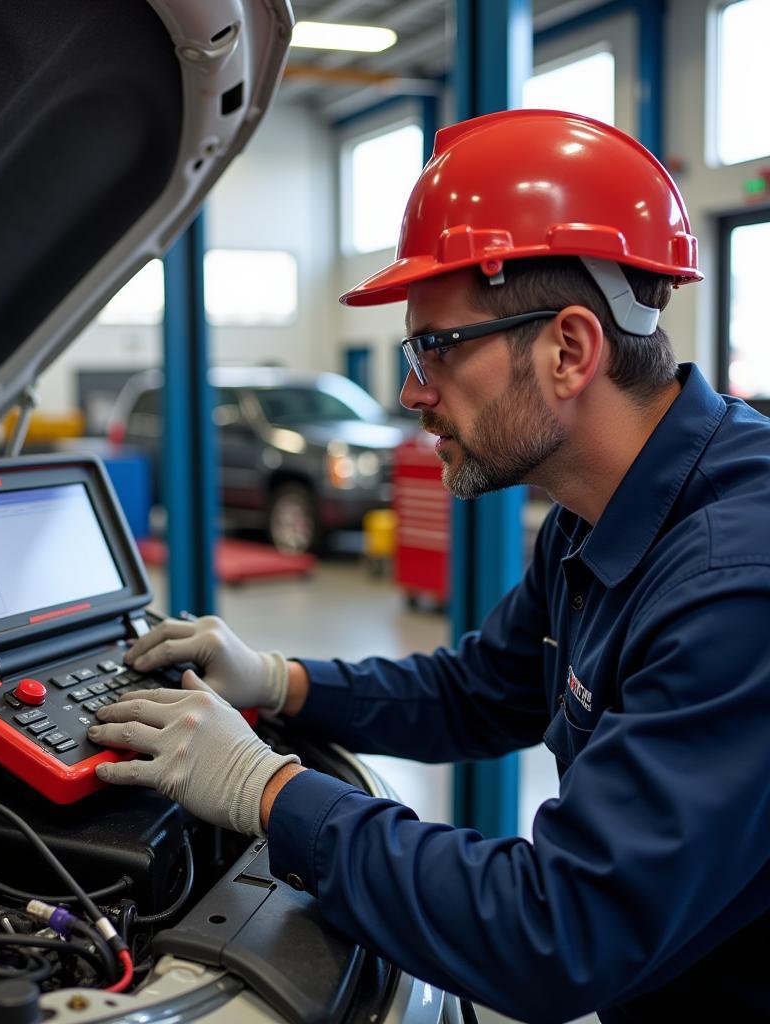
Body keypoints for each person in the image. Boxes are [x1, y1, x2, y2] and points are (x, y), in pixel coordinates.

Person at [86, 110, 770, 1022]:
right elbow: (479, 692)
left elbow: (559, 930)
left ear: (570, 349)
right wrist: (278, 682)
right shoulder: (595, 512)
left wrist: (270, 789)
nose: (410, 391)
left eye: (435, 347)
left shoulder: (736, 582)